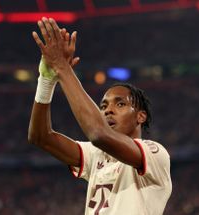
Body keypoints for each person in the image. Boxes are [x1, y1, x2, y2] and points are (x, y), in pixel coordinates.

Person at [28, 17, 172, 215]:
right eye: (103, 106)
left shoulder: (155, 154)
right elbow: (40, 137)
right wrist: (46, 80)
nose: (108, 110)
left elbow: (98, 134)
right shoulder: (97, 155)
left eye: (120, 104)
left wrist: (62, 68)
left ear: (141, 117)